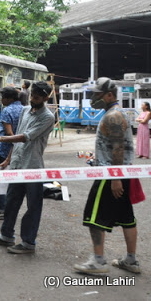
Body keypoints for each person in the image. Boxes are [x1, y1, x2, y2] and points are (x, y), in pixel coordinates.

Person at [73, 77, 140, 274]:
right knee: (127, 218)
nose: (94, 98)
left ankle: (98, 261)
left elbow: (118, 148)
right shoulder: (114, 114)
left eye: (97, 94)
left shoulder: (113, 116)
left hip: (110, 175)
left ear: (109, 95)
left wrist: (115, 177)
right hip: (120, 173)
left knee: (93, 217)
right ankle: (131, 261)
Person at [0, 81, 55, 254]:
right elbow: (18, 137)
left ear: (46, 98)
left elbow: (25, 137)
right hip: (17, 165)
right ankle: (6, 235)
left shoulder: (48, 117)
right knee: (11, 202)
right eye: (31, 96)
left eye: (37, 97)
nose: (32, 99)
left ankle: (28, 242)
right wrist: (8, 159)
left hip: (32, 167)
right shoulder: (24, 111)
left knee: (33, 207)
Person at [0, 86, 23, 220]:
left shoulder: (7, 110)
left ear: (9, 98)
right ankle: (9, 209)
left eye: (3, 97)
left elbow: (9, 133)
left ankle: (1, 210)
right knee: (12, 183)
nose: (1, 100)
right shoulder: (24, 109)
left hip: (4, 150)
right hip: (19, 151)